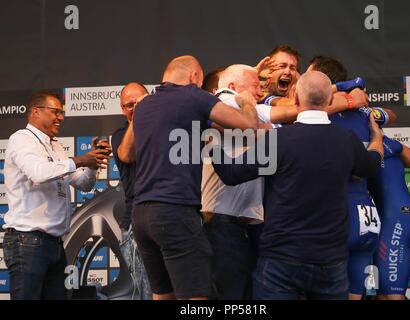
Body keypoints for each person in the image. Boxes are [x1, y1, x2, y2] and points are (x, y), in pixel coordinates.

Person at [211, 71, 384, 300]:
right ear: (331, 101)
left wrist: (211, 139)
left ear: (296, 100)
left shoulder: (277, 141)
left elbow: (231, 173)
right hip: (330, 262)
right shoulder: (346, 141)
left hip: (280, 261)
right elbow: (372, 165)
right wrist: (377, 138)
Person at [119, 55, 258, 300]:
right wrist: (246, 101)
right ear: (194, 77)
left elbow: (125, 154)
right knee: (195, 298)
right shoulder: (194, 96)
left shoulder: (146, 105)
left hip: (141, 217)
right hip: (175, 213)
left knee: (163, 296)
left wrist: (138, 112)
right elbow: (248, 125)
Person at [2, 91, 111, 300]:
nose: (61, 117)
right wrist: (79, 160)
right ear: (35, 112)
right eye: (55, 112)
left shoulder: (56, 147)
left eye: (62, 113)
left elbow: (84, 184)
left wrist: (93, 163)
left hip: (55, 244)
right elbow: (38, 173)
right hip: (27, 242)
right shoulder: (21, 139)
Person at [201, 64, 298, 299]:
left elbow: (293, 111)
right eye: (256, 85)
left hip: (237, 224)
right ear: (233, 87)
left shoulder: (249, 107)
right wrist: (247, 106)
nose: (260, 91)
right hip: (221, 221)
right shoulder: (225, 101)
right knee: (230, 296)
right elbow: (253, 128)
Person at [308, 56, 396, 299]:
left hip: (335, 215)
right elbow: (390, 115)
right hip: (366, 217)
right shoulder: (363, 113)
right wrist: (365, 106)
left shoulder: (319, 116)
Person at [369, 136, 410, 300]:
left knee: (392, 295)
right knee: (382, 294)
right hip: (395, 214)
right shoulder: (385, 141)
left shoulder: (373, 143)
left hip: (398, 218)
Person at [111, 82, 151, 299]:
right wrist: (140, 113)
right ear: (122, 109)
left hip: (165, 219)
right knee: (142, 293)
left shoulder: (165, 130)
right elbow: (128, 155)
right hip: (135, 224)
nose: (134, 108)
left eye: (140, 102)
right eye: (129, 105)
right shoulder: (119, 135)